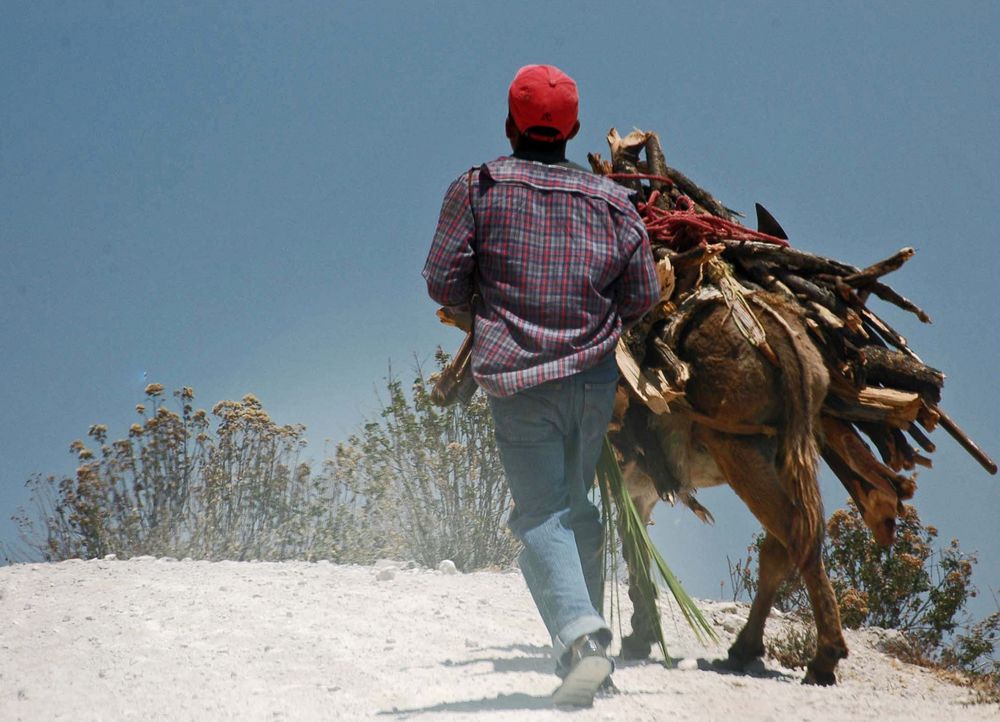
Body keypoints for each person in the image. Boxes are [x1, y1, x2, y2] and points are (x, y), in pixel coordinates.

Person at [422, 64, 659, 707]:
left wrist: (491, 297)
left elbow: (443, 282)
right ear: (574, 129)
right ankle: (592, 666)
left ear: (509, 124)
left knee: (539, 515)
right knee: (575, 508)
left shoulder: (477, 188)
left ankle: (580, 641)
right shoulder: (613, 203)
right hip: (591, 383)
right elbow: (643, 295)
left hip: (518, 381)